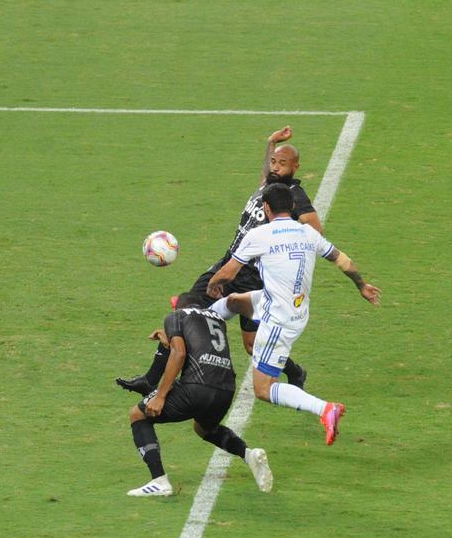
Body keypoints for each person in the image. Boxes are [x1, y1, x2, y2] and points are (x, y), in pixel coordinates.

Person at [117, 126, 319, 396]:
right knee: (186, 309)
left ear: (295, 167)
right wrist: (270, 143)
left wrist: (281, 244)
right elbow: (265, 173)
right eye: (273, 161)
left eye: (282, 163)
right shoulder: (269, 186)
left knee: (251, 345)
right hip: (228, 264)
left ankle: (294, 371)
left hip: (253, 279)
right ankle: (151, 379)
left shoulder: (294, 196)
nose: (275, 166)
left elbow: (314, 230)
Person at [206, 183, 380, 446]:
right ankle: (196, 321)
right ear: (293, 206)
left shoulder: (259, 235)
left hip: (278, 320)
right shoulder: (308, 233)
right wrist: (362, 285)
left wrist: (212, 283)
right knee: (234, 302)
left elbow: (228, 273)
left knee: (263, 389)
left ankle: (325, 409)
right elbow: (343, 261)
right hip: (291, 308)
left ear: (266, 208)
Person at [126, 293, 273, 497]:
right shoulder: (217, 319)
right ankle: (249, 455)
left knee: (138, 414)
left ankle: (159, 481)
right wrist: (170, 338)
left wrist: (160, 396)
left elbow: (179, 353)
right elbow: (199, 343)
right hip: (226, 389)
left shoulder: (176, 316)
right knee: (204, 428)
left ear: (178, 306)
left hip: (196, 388)